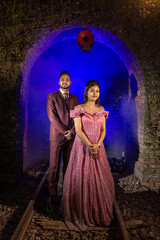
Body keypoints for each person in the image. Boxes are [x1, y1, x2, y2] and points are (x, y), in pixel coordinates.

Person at [61, 80, 115, 231]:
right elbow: (78, 130)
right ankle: (81, 213)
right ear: (87, 92)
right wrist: (89, 146)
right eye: (92, 90)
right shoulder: (78, 108)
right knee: (82, 176)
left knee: (99, 178)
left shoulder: (101, 109)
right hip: (82, 147)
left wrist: (97, 145)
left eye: (97, 91)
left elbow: (103, 130)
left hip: (98, 147)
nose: (95, 93)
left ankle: (97, 213)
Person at [46, 71, 79, 205]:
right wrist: (65, 131)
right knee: (54, 166)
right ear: (59, 81)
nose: (65, 81)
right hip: (56, 136)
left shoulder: (75, 98)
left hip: (70, 137)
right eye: (62, 79)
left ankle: (66, 192)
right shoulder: (51, 96)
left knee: (68, 165)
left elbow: (77, 117)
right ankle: (53, 193)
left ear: (70, 82)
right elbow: (52, 117)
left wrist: (72, 131)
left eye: (67, 79)